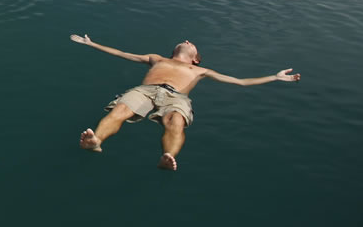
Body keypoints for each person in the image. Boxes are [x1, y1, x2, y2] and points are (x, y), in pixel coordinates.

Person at [71, 34, 300, 171]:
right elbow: (122, 53)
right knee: (121, 109)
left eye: (192, 44)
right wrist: (92, 44)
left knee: (175, 121)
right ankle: (96, 141)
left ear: (196, 59)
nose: (188, 40)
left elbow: (240, 82)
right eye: (186, 41)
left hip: (176, 97)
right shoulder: (156, 59)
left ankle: (167, 156)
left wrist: (274, 77)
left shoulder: (199, 70)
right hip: (146, 90)